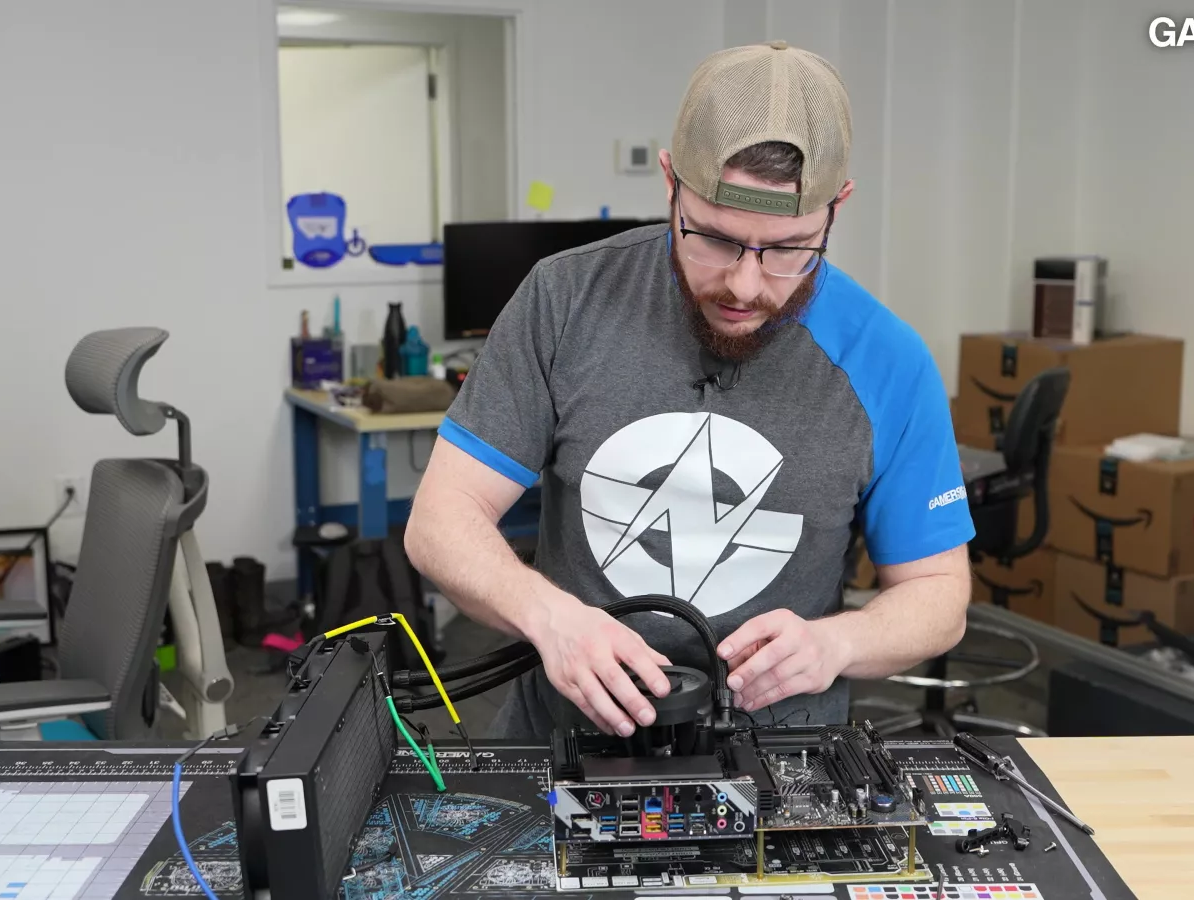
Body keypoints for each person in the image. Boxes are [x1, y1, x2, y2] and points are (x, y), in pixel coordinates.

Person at [405, 41, 974, 741]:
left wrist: (838, 643)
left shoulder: (889, 360)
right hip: (563, 742)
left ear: (838, 208)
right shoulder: (565, 299)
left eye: (788, 249)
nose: (744, 285)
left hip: (778, 757)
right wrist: (551, 618)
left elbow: (937, 595)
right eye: (715, 239)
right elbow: (441, 519)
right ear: (670, 182)